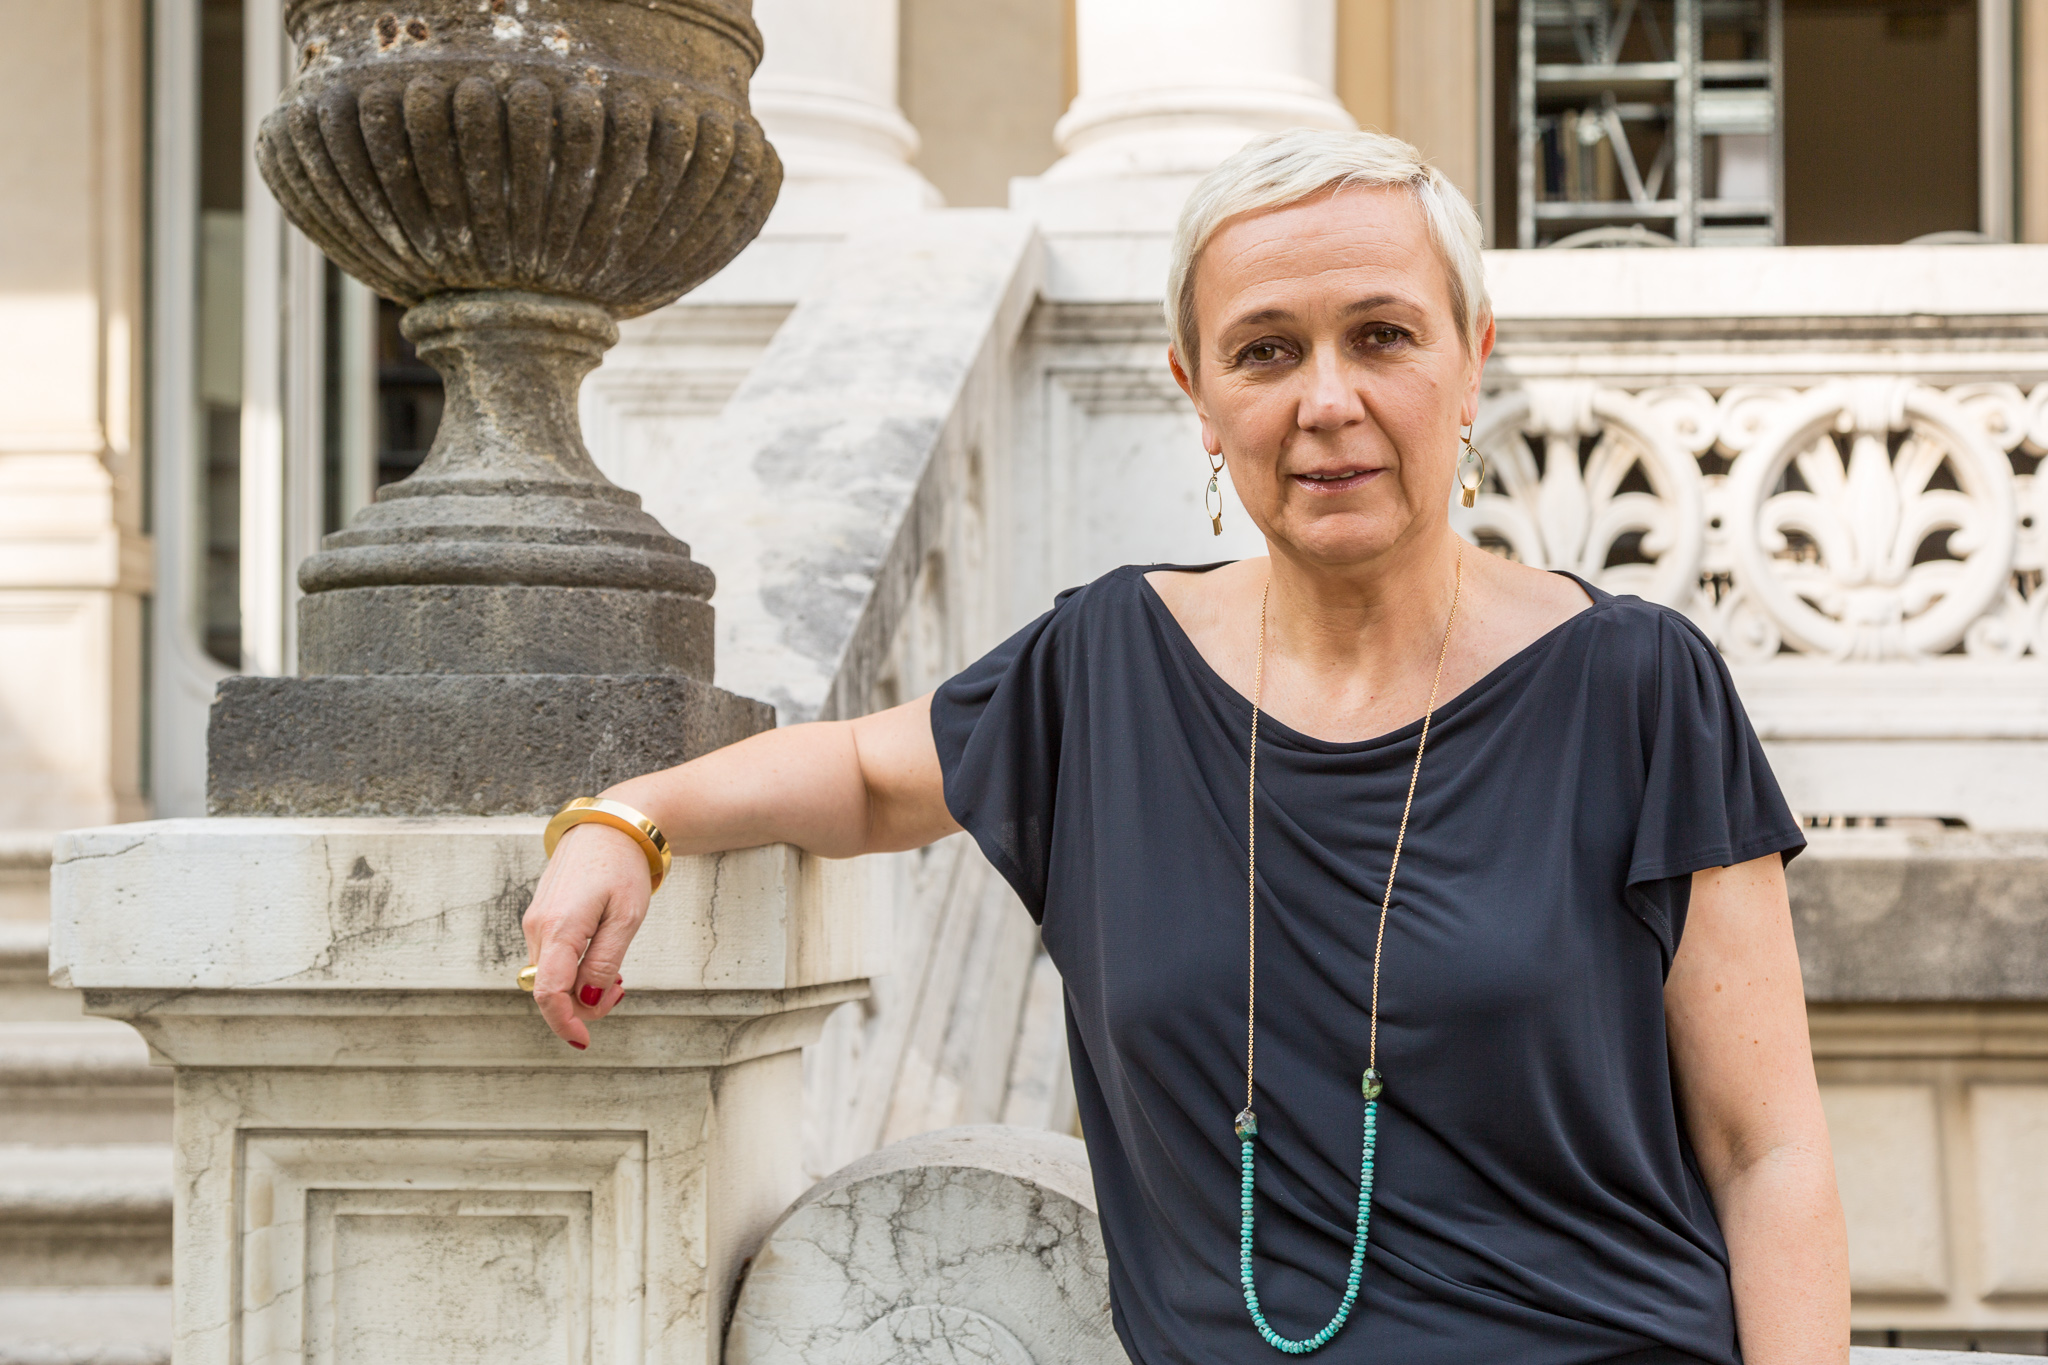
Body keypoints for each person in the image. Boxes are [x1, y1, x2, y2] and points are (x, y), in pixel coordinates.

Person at [520, 129, 1849, 1364]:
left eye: (1383, 335)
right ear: (1198, 395)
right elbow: (867, 777)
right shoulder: (1105, 668)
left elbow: (1768, 1151)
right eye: (1265, 351)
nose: (1327, 399)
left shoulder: (1636, 685)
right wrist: (631, 818)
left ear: (1471, 360)